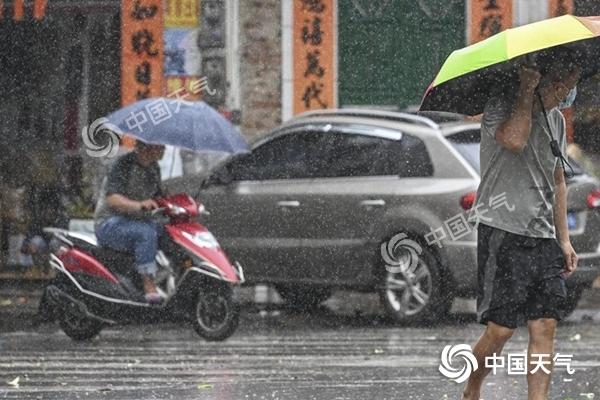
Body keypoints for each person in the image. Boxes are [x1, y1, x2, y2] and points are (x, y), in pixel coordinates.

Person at [462, 51, 580, 400]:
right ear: (544, 76)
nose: (566, 91)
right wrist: (527, 94)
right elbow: (513, 140)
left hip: (543, 236)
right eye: (562, 83)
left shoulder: (557, 120)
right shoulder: (501, 105)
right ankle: (472, 389)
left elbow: (558, 181)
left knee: (545, 325)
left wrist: (564, 239)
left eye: (571, 84)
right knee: (500, 330)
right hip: (503, 230)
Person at [94, 141, 166, 304]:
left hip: (137, 221)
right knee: (146, 233)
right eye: (160, 146)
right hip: (109, 224)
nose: (164, 149)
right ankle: (148, 285)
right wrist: (139, 205)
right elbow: (113, 199)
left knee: (169, 232)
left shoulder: (154, 168)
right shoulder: (123, 165)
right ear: (147, 147)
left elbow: (158, 197)